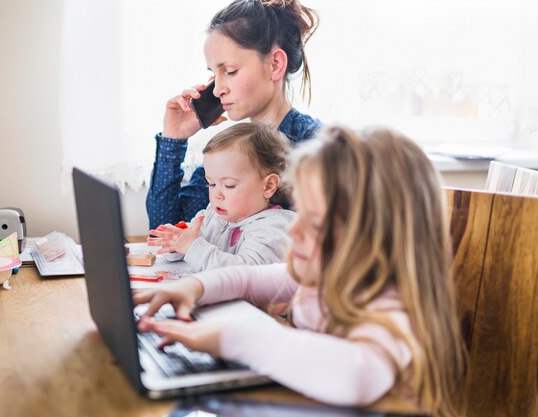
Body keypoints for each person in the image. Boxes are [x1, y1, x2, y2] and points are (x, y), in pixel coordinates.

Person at [135, 126, 466, 416]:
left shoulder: (392, 308)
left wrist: (231, 338)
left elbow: (355, 376)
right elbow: (247, 277)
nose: (293, 231)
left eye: (315, 223)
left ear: (375, 238)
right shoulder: (324, 275)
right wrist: (193, 288)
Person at [146, 0, 322, 230]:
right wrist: (174, 139)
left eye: (230, 71)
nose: (218, 90)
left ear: (275, 64)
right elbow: (165, 230)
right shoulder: (233, 150)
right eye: (214, 74)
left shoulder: (317, 149)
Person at [148, 123, 295, 272]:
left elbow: (246, 274)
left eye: (229, 185)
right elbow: (187, 249)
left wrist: (192, 246)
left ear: (268, 186)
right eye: (211, 184)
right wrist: (175, 243)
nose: (216, 195)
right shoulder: (212, 215)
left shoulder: (274, 228)